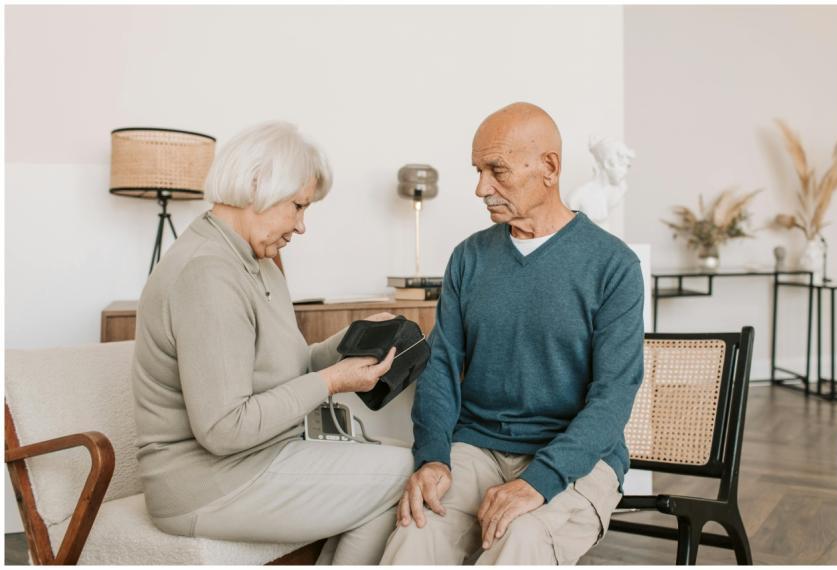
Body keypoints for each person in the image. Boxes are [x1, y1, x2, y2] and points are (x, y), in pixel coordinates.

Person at [132, 121, 413, 564]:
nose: (301, 227)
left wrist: (354, 336)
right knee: (403, 473)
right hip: (206, 483)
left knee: (397, 460)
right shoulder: (208, 274)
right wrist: (332, 382)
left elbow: (286, 366)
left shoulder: (255, 261)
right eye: (298, 206)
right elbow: (224, 429)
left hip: (260, 457)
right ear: (257, 186)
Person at [380, 103, 644, 565]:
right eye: (478, 171)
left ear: (550, 167)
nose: (482, 188)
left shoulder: (613, 265)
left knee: (519, 536)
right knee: (415, 528)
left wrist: (540, 480)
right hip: (478, 446)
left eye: (496, 170)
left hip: (574, 456)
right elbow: (440, 367)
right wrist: (433, 458)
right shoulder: (469, 258)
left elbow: (613, 396)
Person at [567, 137, 636, 233]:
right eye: (623, 165)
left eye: (627, 166)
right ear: (608, 164)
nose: (625, 172)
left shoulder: (620, 189)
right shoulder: (578, 196)